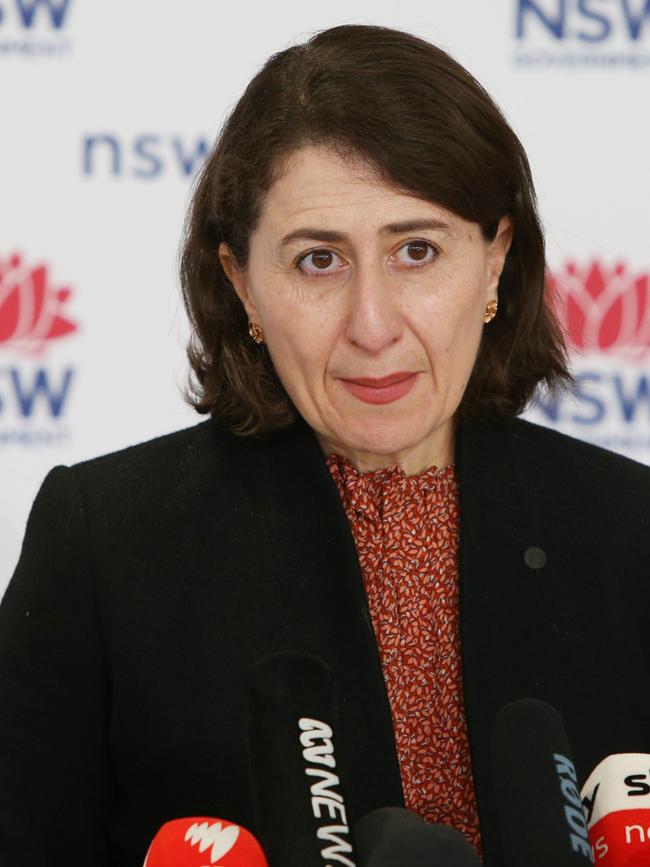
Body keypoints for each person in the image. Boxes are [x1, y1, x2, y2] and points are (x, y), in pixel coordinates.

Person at [1, 23, 649, 867]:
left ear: (494, 263)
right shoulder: (104, 542)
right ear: (242, 285)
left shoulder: (631, 531)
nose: (373, 325)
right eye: (317, 262)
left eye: (417, 250)